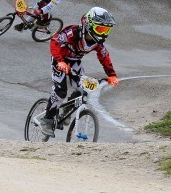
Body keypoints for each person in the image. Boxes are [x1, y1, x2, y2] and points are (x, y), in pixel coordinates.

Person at [35, 7, 120, 137]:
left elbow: (104, 56)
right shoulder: (72, 32)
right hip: (60, 60)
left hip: (75, 62)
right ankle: (46, 119)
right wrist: (60, 61)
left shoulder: (98, 43)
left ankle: (66, 110)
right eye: (100, 29)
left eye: (106, 30)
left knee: (83, 89)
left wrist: (112, 75)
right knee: (60, 92)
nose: (103, 34)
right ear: (89, 25)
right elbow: (55, 41)